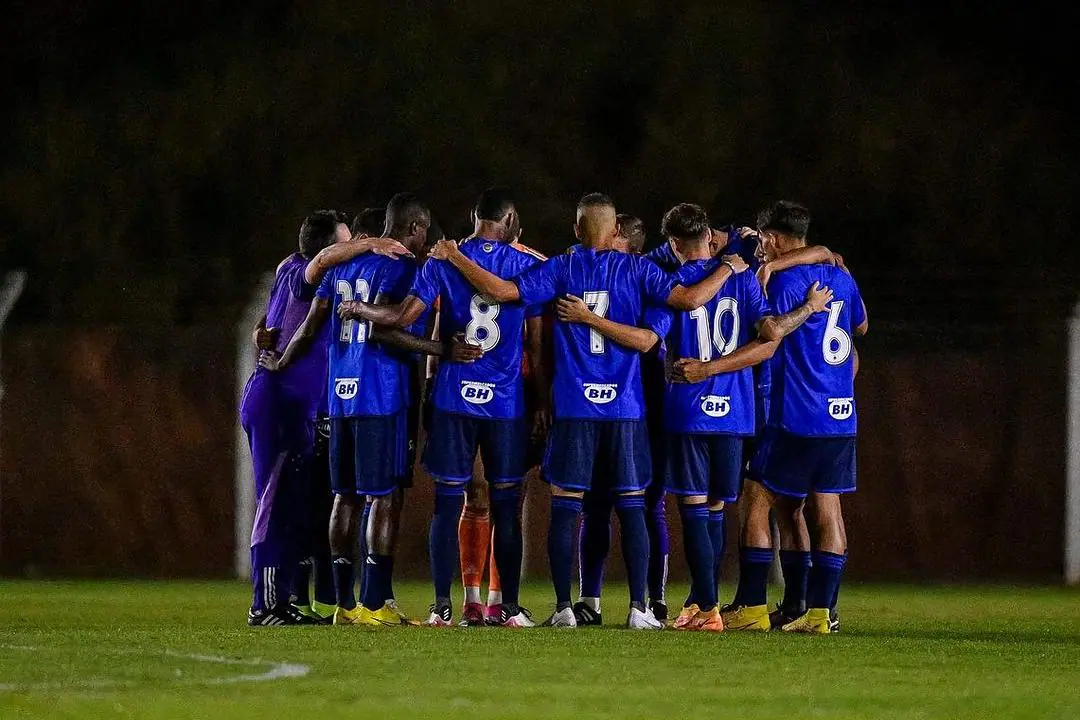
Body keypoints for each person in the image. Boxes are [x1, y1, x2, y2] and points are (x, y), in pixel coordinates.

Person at [428, 192, 744, 629]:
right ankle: (639, 609)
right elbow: (678, 310)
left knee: (567, 505)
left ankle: (563, 608)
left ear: (576, 230)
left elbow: (500, 291)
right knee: (633, 506)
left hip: (575, 407)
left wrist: (454, 256)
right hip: (626, 409)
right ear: (616, 231)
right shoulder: (638, 269)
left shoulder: (560, 267)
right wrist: (729, 263)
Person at [560, 203, 831, 631]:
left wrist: (701, 369)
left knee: (691, 508)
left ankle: (706, 607)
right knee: (718, 509)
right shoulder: (742, 277)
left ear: (671, 243)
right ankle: (708, 604)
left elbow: (654, 335)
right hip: (737, 412)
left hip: (686, 409)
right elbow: (768, 337)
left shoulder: (671, 281)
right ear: (709, 235)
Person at [262, 193, 481, 626]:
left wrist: (280, 361)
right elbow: (387, 332)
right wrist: (443, 350)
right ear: (415, 228)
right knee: (382, 498)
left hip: (341, 397)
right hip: (379, 395)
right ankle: (374, 602)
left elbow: (310, 327)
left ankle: (345, 605)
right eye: (424, 231)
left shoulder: (342, 266)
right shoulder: (402, 267)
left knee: (345, 497)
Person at [338, 187, 547, 628]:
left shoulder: (440, 260)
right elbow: (535, 343)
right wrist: (543, 401)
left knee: (448, 503)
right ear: (510, 220)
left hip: (453, 396)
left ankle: (441, 606)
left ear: (475, 217)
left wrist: (361, 309)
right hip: (506, 402)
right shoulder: (527, 263)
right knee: (506, 504)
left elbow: (403, 316)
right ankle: (507, 607)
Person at [241, 210, 409, 626]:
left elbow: (268, 323)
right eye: (343, 244)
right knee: (273, 503)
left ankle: (285, 601)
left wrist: (258, 335)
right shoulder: (307, 271)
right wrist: (371, 243)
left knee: (297, 505)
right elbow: (319, 263)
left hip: (296, 403)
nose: (349, 250)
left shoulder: (285, 267)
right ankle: (263, 606)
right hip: (280, 401)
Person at [736, 201, 867, 634]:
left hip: (796, 413)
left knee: (766, 501)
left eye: (762, 240)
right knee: (823, 508)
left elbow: (769, 331)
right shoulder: (842, 277)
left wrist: (774, 280)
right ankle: (815, 613)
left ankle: (762, 605)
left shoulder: (783, 280)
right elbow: (860, 328)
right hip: (840, 415)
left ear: (772, 238)